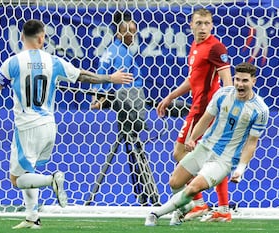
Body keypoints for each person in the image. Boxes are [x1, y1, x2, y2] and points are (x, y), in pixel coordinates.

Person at [0, 19, 133, 229]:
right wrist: (109, 78)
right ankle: (33, 217)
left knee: (16, 179)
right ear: (42, 39)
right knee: (30, 172)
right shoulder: (53, 61)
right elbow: (82, 76)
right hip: (49, 126)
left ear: (21, 37)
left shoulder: (13, 62)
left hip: (26, 127)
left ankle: (52, 180)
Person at [145, 62, 269, 226]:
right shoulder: (223, 95)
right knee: (175, 182)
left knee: (193, 187)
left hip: (224, 159)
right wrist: (192, 138)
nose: (239, 84)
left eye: (245, 81)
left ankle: (155, 214)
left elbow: (252, 143)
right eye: (237, 79)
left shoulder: (260, 110)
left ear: (254, 81)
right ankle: (186, 206)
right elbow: (206, 119)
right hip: (204, 147)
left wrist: (240, 168)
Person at [156, 8, 233, 222]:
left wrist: (225, 112)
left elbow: (227, 81)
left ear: (212, 25)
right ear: (191, 25)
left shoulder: (216, 47)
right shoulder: (195, 46)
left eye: (206, 23)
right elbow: (194, 80)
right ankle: (220, 207)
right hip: (196, 108)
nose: (202, 28)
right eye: (198, 23)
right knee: (205, 158)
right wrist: (170, 96)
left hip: (206, 111)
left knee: (181, 153)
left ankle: (201, 204)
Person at [91, 11, 154, 205]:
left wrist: (99, 95)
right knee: (134, 147)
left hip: (127, 105)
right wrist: (101, 97)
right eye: (130, 31)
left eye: (135, 31)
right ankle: (145, 195)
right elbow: (111, 77)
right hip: (128, 107)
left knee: (131, 147)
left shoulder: (115, 50)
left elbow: (102, 73)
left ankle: (143, 194)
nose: (133, 35)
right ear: (119, 31)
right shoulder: (120, 53)